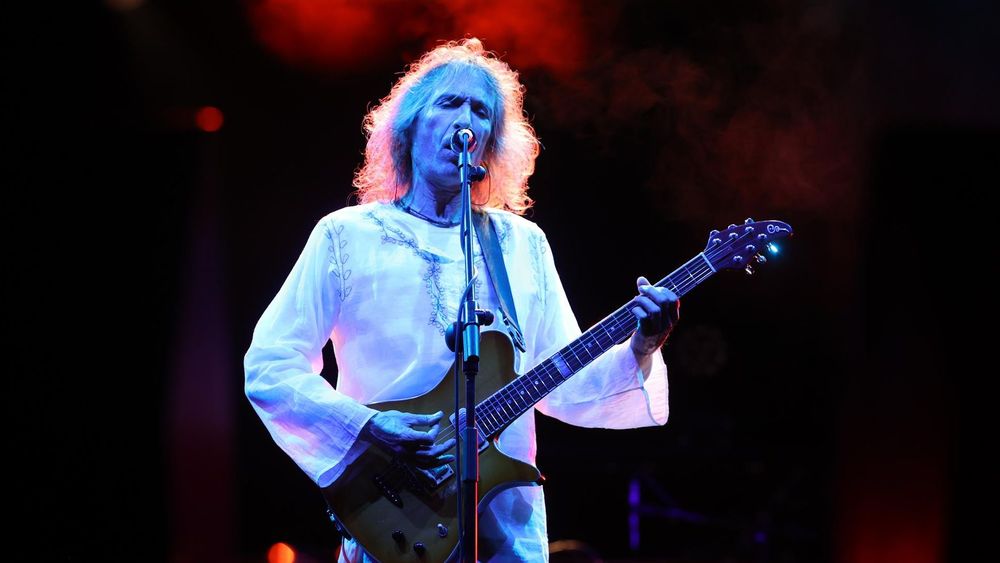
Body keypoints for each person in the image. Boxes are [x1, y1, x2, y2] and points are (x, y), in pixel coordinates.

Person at [244, 37, 679, 562]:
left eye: (481, 110)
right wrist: (367, 426)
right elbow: (270, 365)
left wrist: (641, 347)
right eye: (450, 103)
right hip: (395, 514)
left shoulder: (522, 244)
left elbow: (562, 379)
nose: (466, 120)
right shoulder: (347, 235)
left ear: (494, 140)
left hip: (505, 522)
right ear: (410, 125)